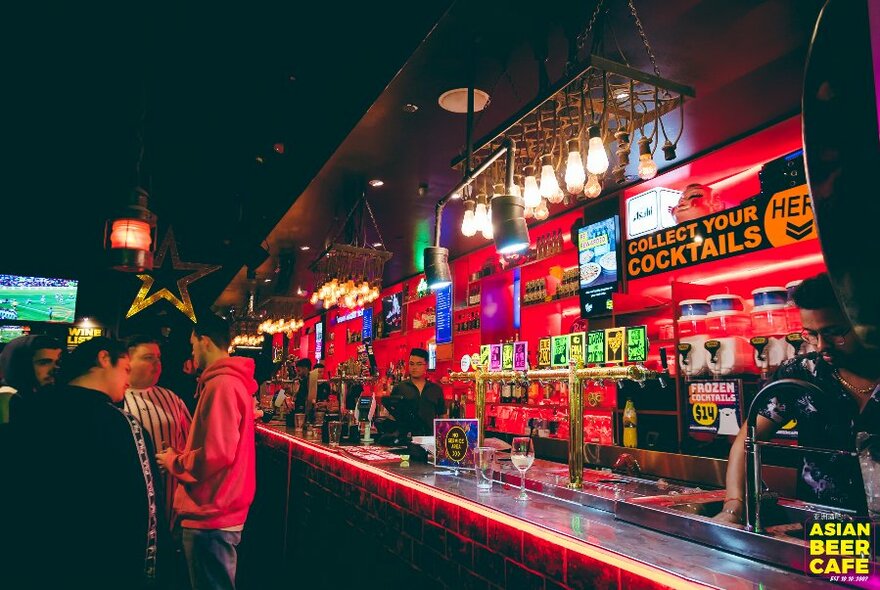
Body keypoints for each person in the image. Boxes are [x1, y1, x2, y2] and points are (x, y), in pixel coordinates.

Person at [3, 337, 167, 588]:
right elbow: (146, 513)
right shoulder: (121, 424)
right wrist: (150, 577)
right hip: (98, 569)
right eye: (125, 369)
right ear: (104, 359)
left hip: (30, 566)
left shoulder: (26, 409)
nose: (127, 380)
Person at [715, 273, 880, 523]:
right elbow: (747, 440)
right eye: (811, 334)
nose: (821, 346)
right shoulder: (801, 374)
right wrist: (733, 508)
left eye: (835, 332)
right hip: (824, 530)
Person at [156, 313, 257, 590]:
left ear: (206, 341)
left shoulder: (222, 385)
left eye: (193, 344)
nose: (191, 351)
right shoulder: (228, 383)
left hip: (212, 512)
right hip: (219, 509)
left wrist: (174, 461)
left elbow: (217, 454)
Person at [123, 334, 192, 530]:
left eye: (158, 357)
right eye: (148, 358)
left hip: (172, 506)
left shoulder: (172, 398)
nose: (157, 363)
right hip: (130, 501)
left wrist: (175, 459)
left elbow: (191, 445)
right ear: (128, 361)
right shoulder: (117, 399)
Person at [0, 334, 63, 423]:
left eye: (57, 362)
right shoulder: (7, 397)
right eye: (44, 363)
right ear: (21, 365)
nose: (56, 368)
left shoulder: (38, 393)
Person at [384, 348, 446, 436]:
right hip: (405, 440)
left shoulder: (436, 389)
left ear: (426, 365)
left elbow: (442, 417)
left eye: (419, 364)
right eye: (411, 364)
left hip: (429, 440)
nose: (414, 367)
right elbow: (393, 416)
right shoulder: (399, 388)